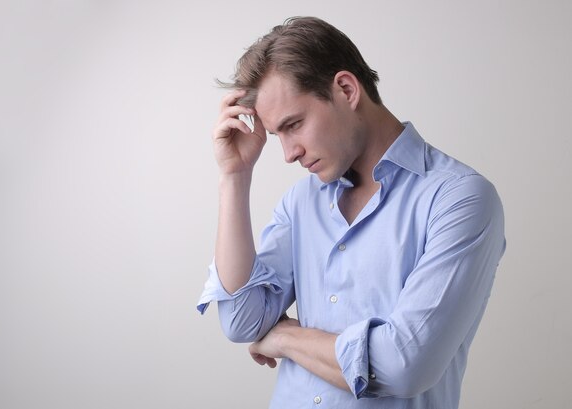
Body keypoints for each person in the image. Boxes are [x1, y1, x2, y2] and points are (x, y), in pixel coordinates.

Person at [197, 16, 506, 409]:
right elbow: (242, 321)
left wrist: (285, 338)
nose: (289, 153)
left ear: (346, 89)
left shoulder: (459, 199)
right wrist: (235, 177)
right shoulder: (300, 203)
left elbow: (403, 366)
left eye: (294, 125)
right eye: (278, 135)